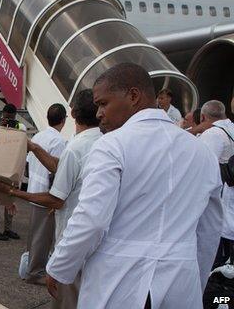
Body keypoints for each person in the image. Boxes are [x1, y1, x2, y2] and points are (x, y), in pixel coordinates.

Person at [45, 63, 223, 308]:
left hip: (120, 282)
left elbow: (92, 219)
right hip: (181, 282)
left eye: (103, 103)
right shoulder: (202, 152)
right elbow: (209, 230)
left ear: (133, 96)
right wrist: (196, 279)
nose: (98, 113)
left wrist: (59, 266)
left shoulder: (112, 146)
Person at [0, 90, 101, 308]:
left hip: (72, 232)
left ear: (74, 113)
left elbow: (56, 199)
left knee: (66, 298)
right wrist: (36, 148)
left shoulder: (75, 146)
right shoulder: (104, 142)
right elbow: (64, 168)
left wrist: (12, 192)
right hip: (95, 237)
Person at [19, 104, 68, 283]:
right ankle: (35, 272)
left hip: (33, 189)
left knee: (35, 235)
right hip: (46, 194)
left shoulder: (38, 136)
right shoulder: (60, 142)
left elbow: (28, 163)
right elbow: (56, 171)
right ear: (63, 120)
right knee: (43, 237)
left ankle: (30, 267)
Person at [198, 100, 234, 268]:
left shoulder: (213, 134)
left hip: (221, 211)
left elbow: (201, 170)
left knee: (216, 266)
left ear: (203, 116)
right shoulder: (231, 128)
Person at [0, 103, 26, 241]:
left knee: (9, 200)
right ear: (2, 115)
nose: (9, 119)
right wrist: (2, 127)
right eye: (6, 117)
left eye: (11, 118)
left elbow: (21, 144)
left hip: (11, 167)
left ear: (15, 116)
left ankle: (8, 229)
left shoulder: (20, 127)